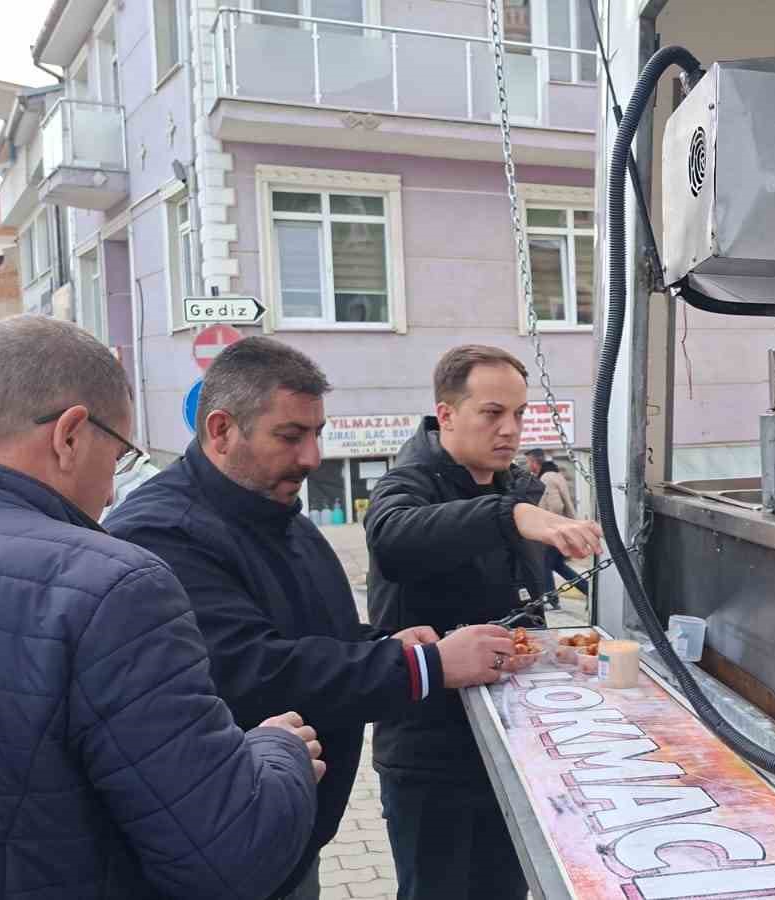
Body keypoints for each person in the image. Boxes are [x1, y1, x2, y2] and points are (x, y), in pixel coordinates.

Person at [0, 315, 323, 899]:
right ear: (71, 434)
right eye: (120, 456)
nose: (109, 493)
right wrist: (277, 752)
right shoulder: (111, 586)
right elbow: (231, 855)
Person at [105, 337, 518, 900]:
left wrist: (386, 642)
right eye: (290, 436)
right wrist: (425, 665)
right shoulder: (164, 533)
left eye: (317, 434)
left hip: (283, 829)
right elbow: (252, 672)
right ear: (221, 430)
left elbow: (317, 636)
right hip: (218, 850)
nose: (312, 458)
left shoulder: (278, 514)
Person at [365, 344, 603, 900]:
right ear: (446, 414)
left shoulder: (510, 483)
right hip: (433, 754)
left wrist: (553, 648)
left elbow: (520, 603)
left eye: (519, 414)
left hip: (512, 743)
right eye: (492, 413)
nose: (511, 429)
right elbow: (393, 539)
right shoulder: (409, 481)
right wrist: (512, 515)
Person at [525, 447, 584, 604]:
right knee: (557, 565)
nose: (527, 465)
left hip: (553, 530)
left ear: (534, 462)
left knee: (545, 564)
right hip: (561, 527)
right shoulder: (556, 475)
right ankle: (586, 588)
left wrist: (546, 526)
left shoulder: (546, 479)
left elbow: (555, 506)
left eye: (528, 462)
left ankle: (552, 599)